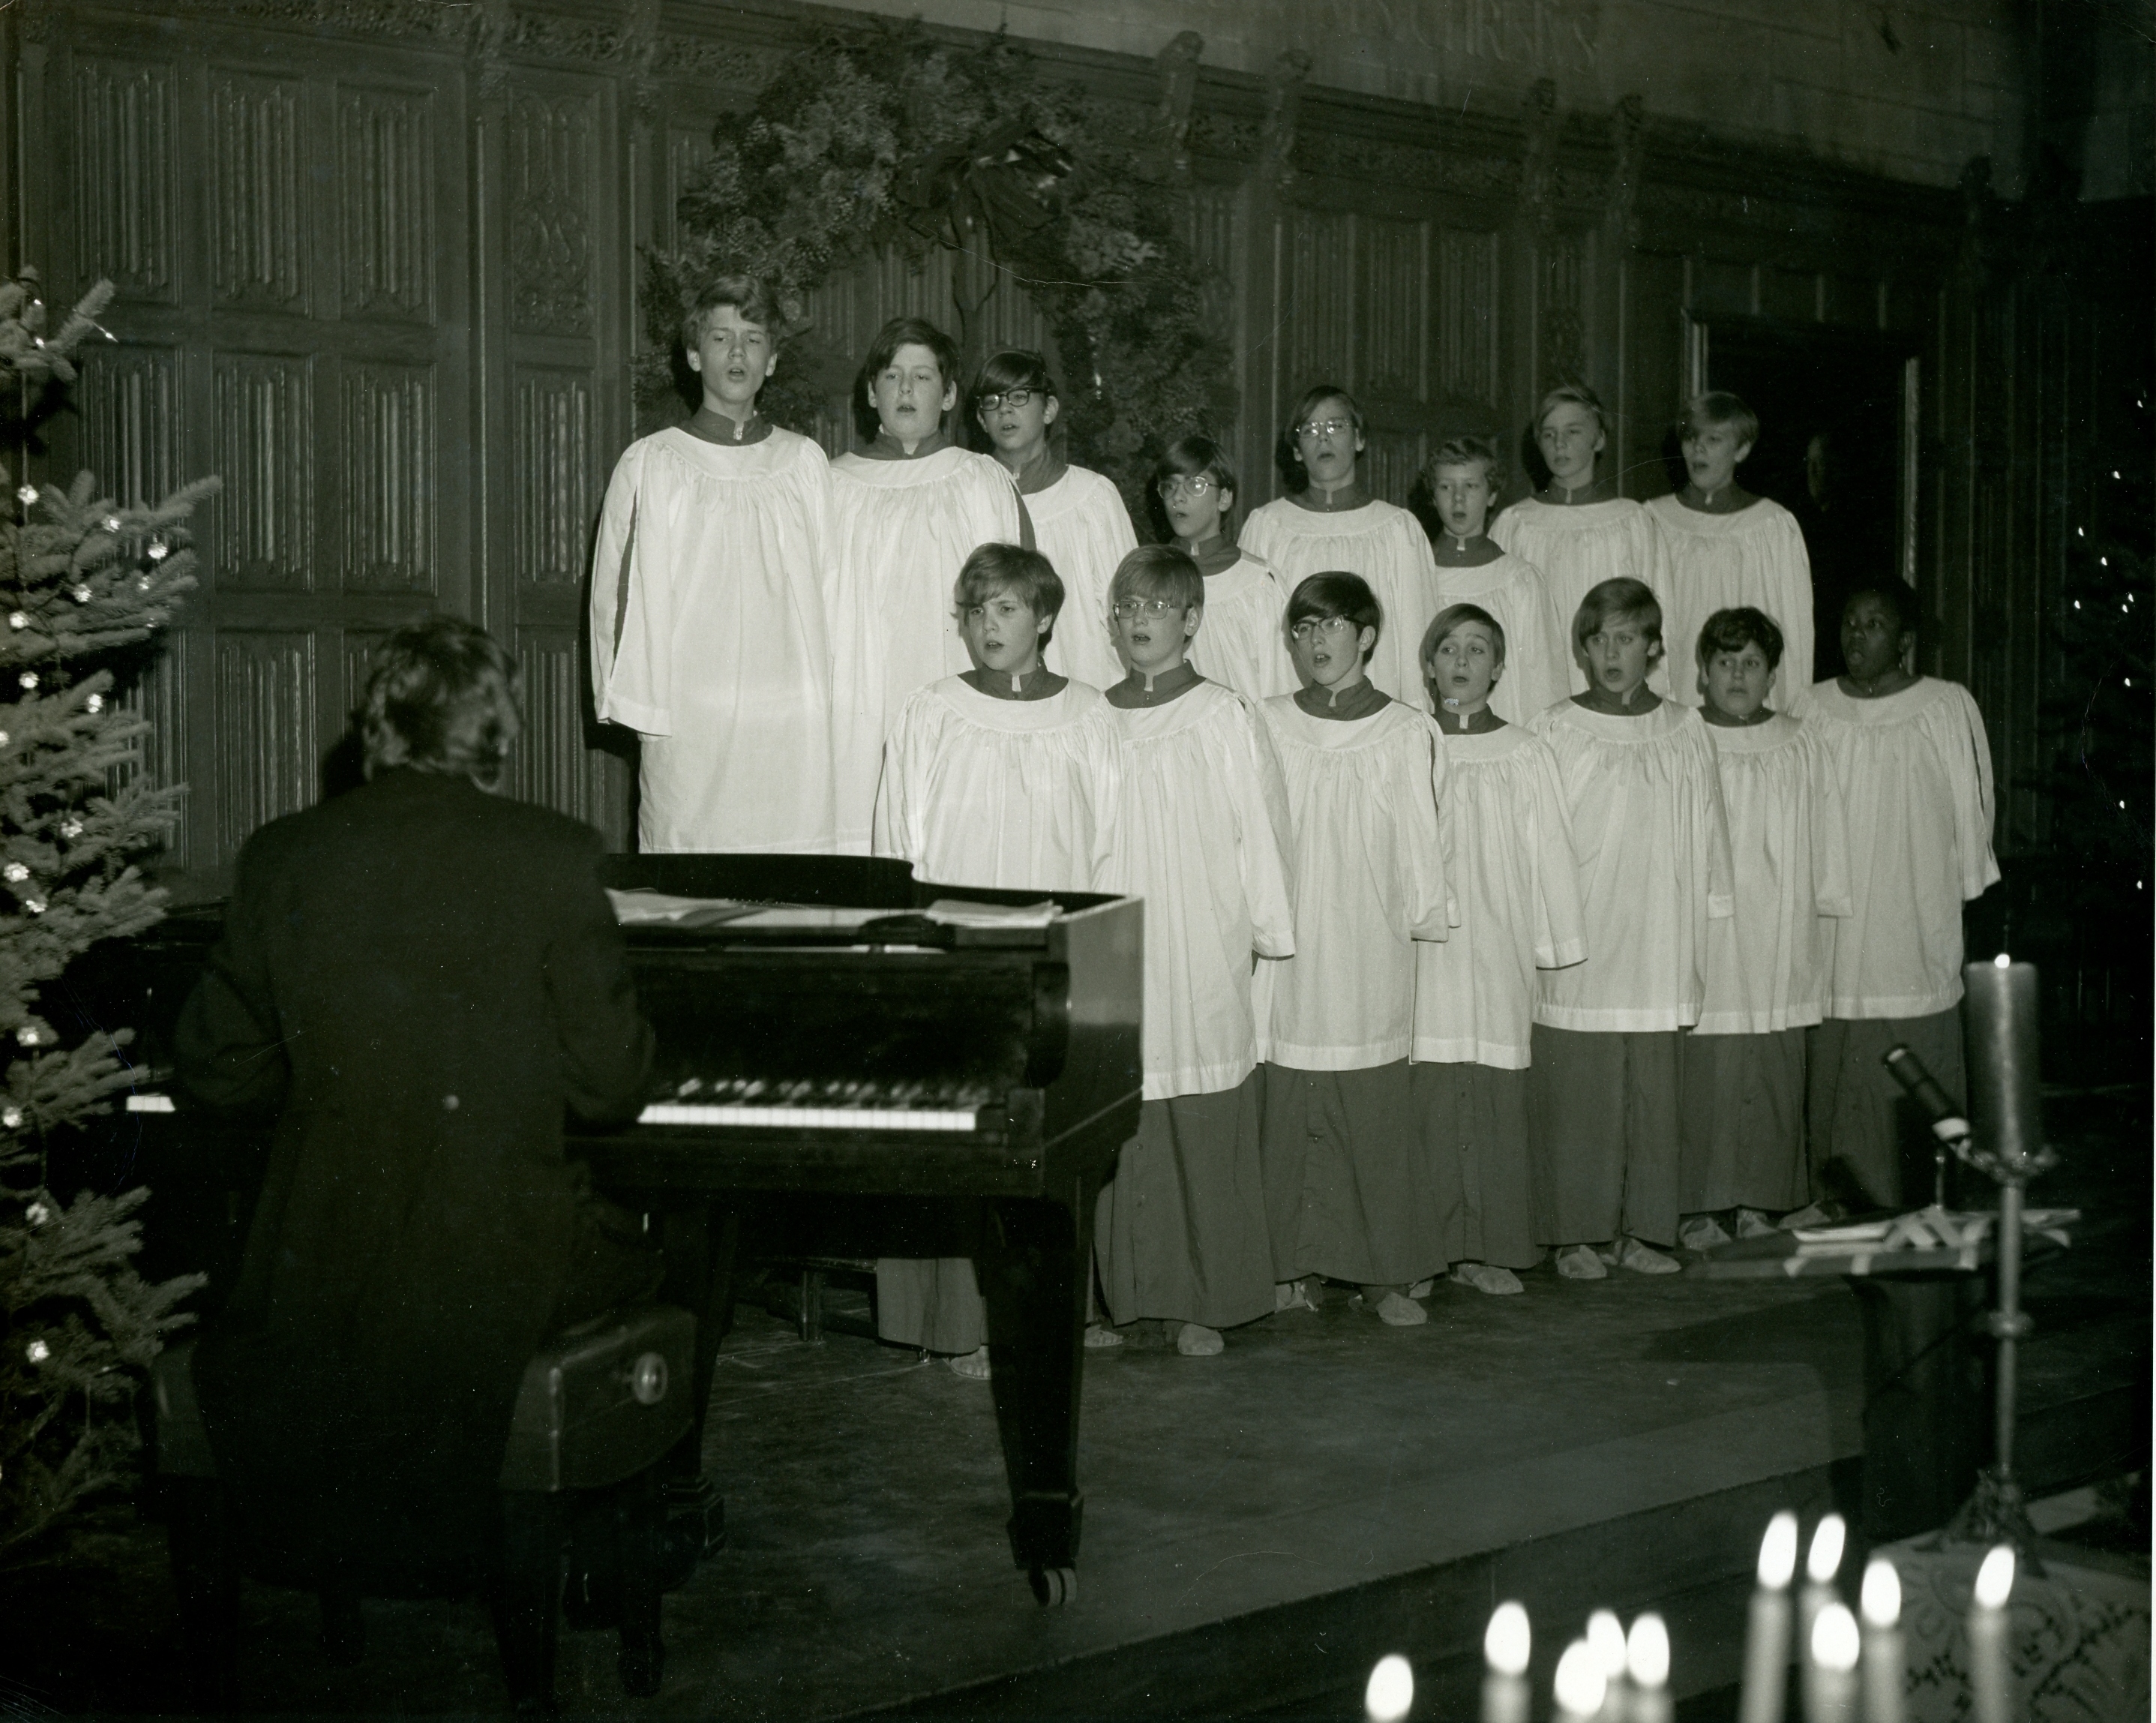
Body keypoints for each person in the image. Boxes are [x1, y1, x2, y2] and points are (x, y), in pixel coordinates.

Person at [173, 617, 660, 1590]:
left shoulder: (280, 855)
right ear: (497, 731)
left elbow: (217, 1072)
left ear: (377, 726)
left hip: (317, 1263)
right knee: (665, 1246)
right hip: (499, 1269)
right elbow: (612, 1087)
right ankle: (615, 1559)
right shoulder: (555, 855)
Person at [872, 544, 1120, 1376]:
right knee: (964, 1136)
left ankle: (1051, 1315)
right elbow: (897, 844)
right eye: (976, 609)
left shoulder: (1089, 714)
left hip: (1054, 953)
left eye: (1006, 607)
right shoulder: (932, 710)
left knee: (1049, 1140)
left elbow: (1111, 845)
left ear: (1044, 617)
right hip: (960, 953)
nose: (988, 624)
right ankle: (957, 1328)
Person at [1093, 547, 1294, 1357]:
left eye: (1157, 607)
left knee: (1202, 1106)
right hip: (1117, 937)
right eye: (1127, 607)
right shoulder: (1088, 718)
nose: (1139, 621)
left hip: (1200, 934)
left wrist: (1265, 935)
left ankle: (1207, 1300)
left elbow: (1262, 831)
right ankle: (1123, 1297)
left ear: (1191, 620)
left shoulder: (1224, 714)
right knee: (1120, 1110)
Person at [1258, 572, 1450, 1326]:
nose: (1315, 641)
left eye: (1331, 626)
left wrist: (1418, 920)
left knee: (1370, 1108)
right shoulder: (1269, 722)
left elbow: (1425, 844)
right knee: (1289, 1102)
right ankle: (1290, 1267)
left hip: (1368, 939)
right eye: (1303, 628)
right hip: (1291, 939)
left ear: (1366, 636)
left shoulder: (1405, 729)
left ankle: (1385, 1273)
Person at [589, 274, 840, 853]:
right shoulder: (654, 462)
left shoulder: (804, 462)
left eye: (753, 340)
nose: (737, 354)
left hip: (790, 717)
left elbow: (831, 588)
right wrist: (644, 709)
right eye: (721, 338)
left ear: (771, 361)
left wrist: (826, 699)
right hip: (691, 716)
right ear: (694, 355)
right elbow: (617, 598)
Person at [1527, 578, 1734, 1280]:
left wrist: (1711, 908)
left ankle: (1642, 1229)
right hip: (1583, 932)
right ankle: (1574, 1234)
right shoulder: (1555, 728)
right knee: (1580, 1092)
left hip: (1657, 929)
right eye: (1598, 640)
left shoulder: (1684, 728)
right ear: (1581, 650)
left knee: (1651, 1091)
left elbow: (1709, 825)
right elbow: (1538, 837)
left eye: (1626, 638)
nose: (1611, 653)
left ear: (1652, 647)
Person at [1793, 582, 1999, 1211]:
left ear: (1904, 639)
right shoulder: (1811, 707)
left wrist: (1960, 884)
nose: (1856, 635)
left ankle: (1922, 1189)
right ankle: (1837, 1190)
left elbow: (1971, 809)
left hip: (1911, 902)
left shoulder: (1943, 705)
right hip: (1835, 913)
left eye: (1874, 624)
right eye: (1849, 622)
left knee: (1910, 1019)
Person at [1411, 604, 1586, 1294]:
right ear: (1428, 665)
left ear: (1500, 667)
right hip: (1424, 949)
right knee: (1426, 1089)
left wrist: (1553, 941)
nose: (1461, 661)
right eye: (1448, 648)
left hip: (1497, 939)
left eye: (1477, 649)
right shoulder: (1406, 742)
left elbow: (1552, 854)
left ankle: (1485, 1247)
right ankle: (1424, 1251)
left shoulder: (1525, 751)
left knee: (1490, 1087)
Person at [1677, 608, 1852, 1247]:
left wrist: (1823, 904)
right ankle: (1700, 1206)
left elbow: (1826, 829)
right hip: (1710, 927)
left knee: (1771, 1064)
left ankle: (1761, 1200)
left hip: (1779, 922)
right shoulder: (1685, 738)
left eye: (1751, 663)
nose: (1737, 675)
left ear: (1773, 673)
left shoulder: (1799, 741)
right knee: (1709, 1068)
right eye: (1724, 662)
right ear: (1702, 672)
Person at [829, 317, 1028, 851]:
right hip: (858, 697)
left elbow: (1022, 604)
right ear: (871, 393)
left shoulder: (981, 480)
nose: (906, 390)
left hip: (958, 684)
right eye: (892, 377)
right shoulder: (831, 485)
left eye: (922, 377)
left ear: (949, 395)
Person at [1240, 386, 1441, 709]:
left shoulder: (1396, 529)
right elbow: (1249, 636)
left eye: (1336, 426)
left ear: (1359, 439)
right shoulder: (1268, 527)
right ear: (1296, 450)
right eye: (1310, 430)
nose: (1323, 438)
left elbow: (1417, 631)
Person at [972, 349, 1135, 690]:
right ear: (981, 420)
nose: (1005, 409)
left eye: (1019, 396)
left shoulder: (1092, 497)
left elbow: (1126, 606)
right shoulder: (968, 498)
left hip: (1079, 676)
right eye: (992, 401)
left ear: (1049, 409)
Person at [1490, 384, 1665, 695]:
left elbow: (1657, 612)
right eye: (1549, 434)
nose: (1560, 444)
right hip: (1534, 675)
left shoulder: (1631, 520)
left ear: (1599, 439)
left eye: (1573, 432)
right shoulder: (1516, 522)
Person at [1645, 392, 1816, 710]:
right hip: (1673, 692)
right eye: (1691, 437)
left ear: (1742, 449)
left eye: (1714, 439)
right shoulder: (1653, 520)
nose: (1699, 448)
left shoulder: (1772, 526)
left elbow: (1794, 630)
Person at [1422, 434, 1570, 724]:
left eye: (1471, 486)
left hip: (1503, 724)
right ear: (1433, 497)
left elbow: (1543, 679)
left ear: (1491, 495)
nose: (1458, 498)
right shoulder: (1418, 575)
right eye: (1446, 487)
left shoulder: (1519, 580)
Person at [1152, 434, 1297, 701]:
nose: (1177, 497)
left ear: (1224, 499)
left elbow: (1280, 681)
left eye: (1194, 485)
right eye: (1169, 486)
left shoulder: (1257, 581)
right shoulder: (1148, 577)